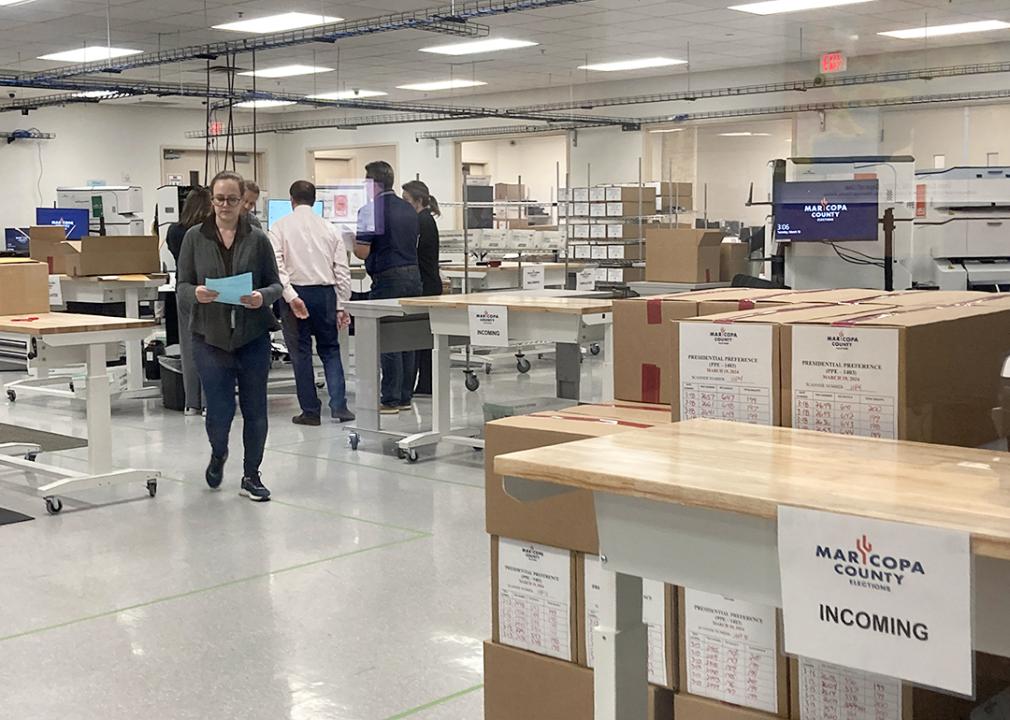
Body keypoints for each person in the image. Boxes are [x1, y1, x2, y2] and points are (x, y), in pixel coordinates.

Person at [177, 171, 282, 502]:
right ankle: (218, 452)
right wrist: (196, 293)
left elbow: (275, 284)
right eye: (219, 199)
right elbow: (180, 288)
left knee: (255, 410)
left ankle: (252, 474)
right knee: (220, 411)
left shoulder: (258, 238)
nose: (225, 205)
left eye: (232, 199)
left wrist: (262, 297)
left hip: (252, 335)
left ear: (243, 202)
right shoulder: (195, 237)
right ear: (212, 201)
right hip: (210, 336)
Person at [270, 180, 354, 426]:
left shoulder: (279, 227)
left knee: (301, 354)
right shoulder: (330, 228)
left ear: (291, 200)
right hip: (325, 294)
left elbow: (278, 266)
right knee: (330, 350)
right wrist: (342, 304)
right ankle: (340, 406)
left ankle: (310, 411)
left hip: (296, 294)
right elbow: (342, 270)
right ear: (315, 200)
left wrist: (290, 296)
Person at [353, 161, 422, 414]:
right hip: (413, 276)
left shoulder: (370, 211)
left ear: (370, 184)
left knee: (389, 337)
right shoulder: (409, 209)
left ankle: (390, 398)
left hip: (388, 277)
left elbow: (362, 251)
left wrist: (349, 239)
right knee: (408, 336)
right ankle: (404, 396)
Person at [166, 186, 213, 416]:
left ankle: (191, 402)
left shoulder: (174, 231)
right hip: (209, 291)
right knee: (211, 345)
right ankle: (208, 402)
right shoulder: (208, 231)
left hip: (184, 291)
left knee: (188, 347)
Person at [401, 180, 441, 396]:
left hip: (426, 285)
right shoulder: (425, 220)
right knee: (424, 337)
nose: (404, 205)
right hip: (429, 282)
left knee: (422, 338)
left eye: (407, 200)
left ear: (418, 200)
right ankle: (424, 383)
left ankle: (425, 384)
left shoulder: (421, 222)